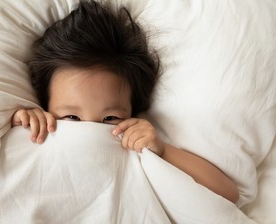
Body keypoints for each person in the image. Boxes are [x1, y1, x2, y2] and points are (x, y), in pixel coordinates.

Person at [12, 0, 239, 203]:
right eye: (71, 117)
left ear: (132, 113)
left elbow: (228, 193)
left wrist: (161, 150)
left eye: (110, 118)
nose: (91, 128)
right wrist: (20, 126)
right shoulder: (38, 132)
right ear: (45, 105)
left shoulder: (136, 141)